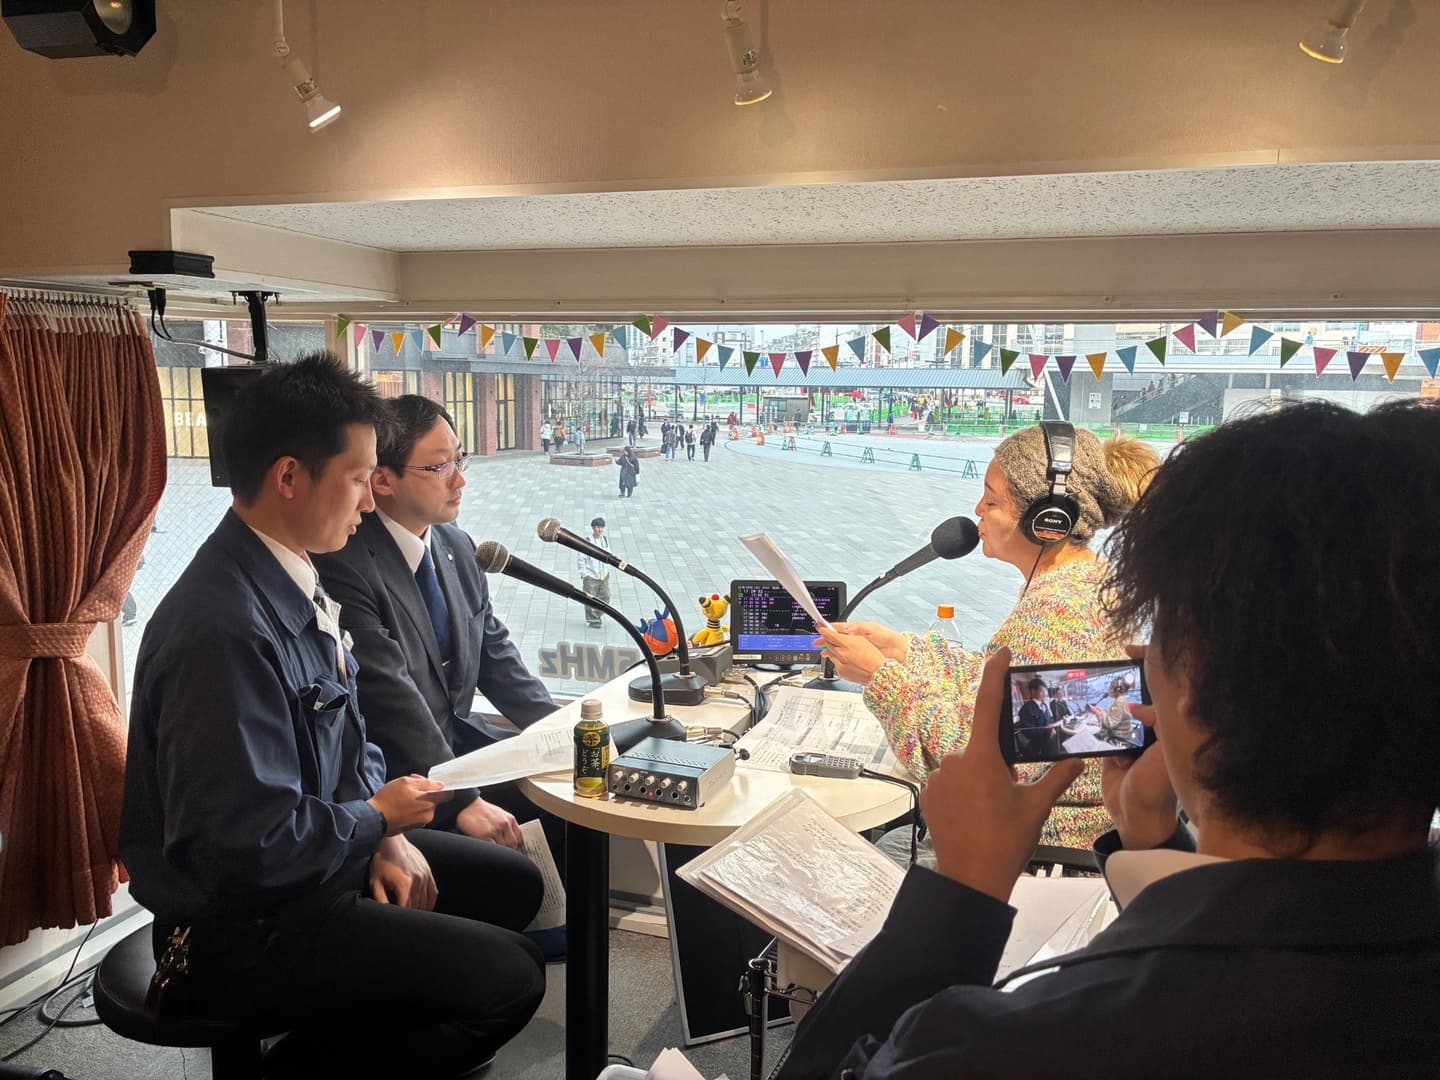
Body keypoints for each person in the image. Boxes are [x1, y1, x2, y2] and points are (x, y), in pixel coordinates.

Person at [776, 399, 1440, 1078]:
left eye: (1163, 634)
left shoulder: (1016, 1046)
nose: (1136, 656)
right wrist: (1155, 842)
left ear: (1193, 679)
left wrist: (961, 901)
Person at [119, 356, 544, 1079]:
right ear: (289, 477)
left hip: (315, 867)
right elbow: (245, 848)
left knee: (513, 884)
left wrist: (382, 837)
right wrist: (375, 822)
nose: (370, 503)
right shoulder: (222, 631)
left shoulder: (293, 570)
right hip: (241, 927)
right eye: (357, 479)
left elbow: (350, 741)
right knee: (512, 981)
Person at [817, 423, 1160, 853]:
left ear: (1048, 519)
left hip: (1034, 852)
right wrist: (904, 652)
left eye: (992, 500)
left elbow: (969, 762)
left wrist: (879, 677)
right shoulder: (1085, 581)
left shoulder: (1058, 612)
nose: (978, 509)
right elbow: (997, 688)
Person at [312, 396, 559, 852]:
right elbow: (390, 698)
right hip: (397, 776)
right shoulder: (345, 563)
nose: (460, 479)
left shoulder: (457, 546)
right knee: (516, 863)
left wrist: (562, 733)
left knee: (569, 797)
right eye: (440, 467)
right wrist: (462, 799)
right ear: (382, 479)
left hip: (461, 748)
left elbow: (496, 658)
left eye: (460, 460)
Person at [575, 516, 613, 628]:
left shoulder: (604, 539)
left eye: (601, 527)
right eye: (597, 527)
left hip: (603, 574)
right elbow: (581, 558)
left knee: (606, 596)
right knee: (590, 597)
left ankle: (596, 615)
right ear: (593, 528)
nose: (600, 529)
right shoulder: (587, 541)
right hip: (591, 575)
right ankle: (593, 619)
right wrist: (584, 574)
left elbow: (609, 553)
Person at [1014, 677, 1061, 759]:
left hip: (1048, 742)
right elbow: (1028, 731)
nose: (1044, 694)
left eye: (1045, 692)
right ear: (1033, 691)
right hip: (1037, 748)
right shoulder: (1026, 709)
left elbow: (1049, 720)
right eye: (1041, 691)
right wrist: (1047, 729)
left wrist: (1052, 727)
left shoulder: (1044, 705)